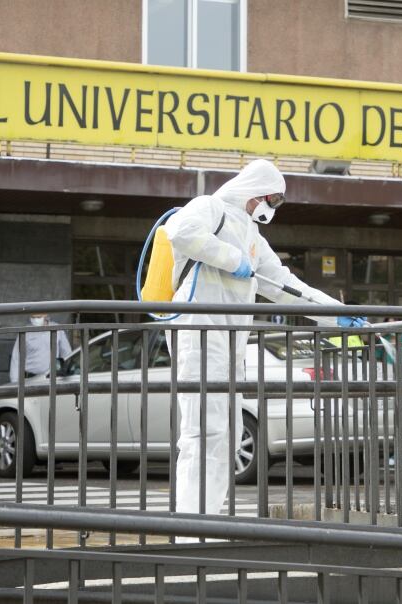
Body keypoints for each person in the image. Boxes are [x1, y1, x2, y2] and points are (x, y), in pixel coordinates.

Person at [163, 159, 364, 515]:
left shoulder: (253, 238)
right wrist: (231, 259)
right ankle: (190, 528)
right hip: (198, 333)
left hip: (230, 343)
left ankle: (207, 520)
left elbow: (287, 286)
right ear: (253, 190)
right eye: (270, 198)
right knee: (201, 432)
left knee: (226, 433)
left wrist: (334, 312)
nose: (270, 207)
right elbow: (180, 231)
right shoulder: (210, 207)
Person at [9, 313, 73, 382]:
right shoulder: (25, 332)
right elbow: (16, 358)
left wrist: (65, 375)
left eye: (38, 317)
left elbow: (67, 353)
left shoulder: (57, 329)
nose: (35, 320)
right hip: (30, 378)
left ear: (45, 315)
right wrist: (14, 381)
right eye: (33, 317)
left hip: (52, 378)